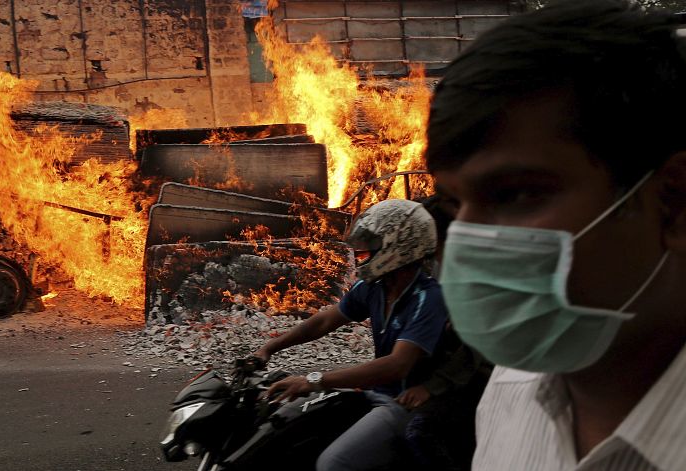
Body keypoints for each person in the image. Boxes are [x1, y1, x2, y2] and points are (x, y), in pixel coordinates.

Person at [425, 1, 686, 469]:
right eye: (452, 204)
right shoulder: (508, 395)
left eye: (516, 194)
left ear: (674, 203)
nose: (464, 242)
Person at [254, 198, 448, 471]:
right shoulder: (374, 286)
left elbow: (397, 365)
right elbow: (325, 321)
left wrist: (315, 380)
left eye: (370, 246)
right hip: (372, 392)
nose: (361, 254)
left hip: (403, 403)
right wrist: (269, 347)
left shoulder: (427, 298)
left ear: (399, 245)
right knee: (288, 434)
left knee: (333, 463)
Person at [398, 194, 493, 471]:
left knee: (421, 432)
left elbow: (477, 346)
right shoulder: (438, 264)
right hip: (455, 367)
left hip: (480, 376)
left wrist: (432, 387)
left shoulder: (474, 270)